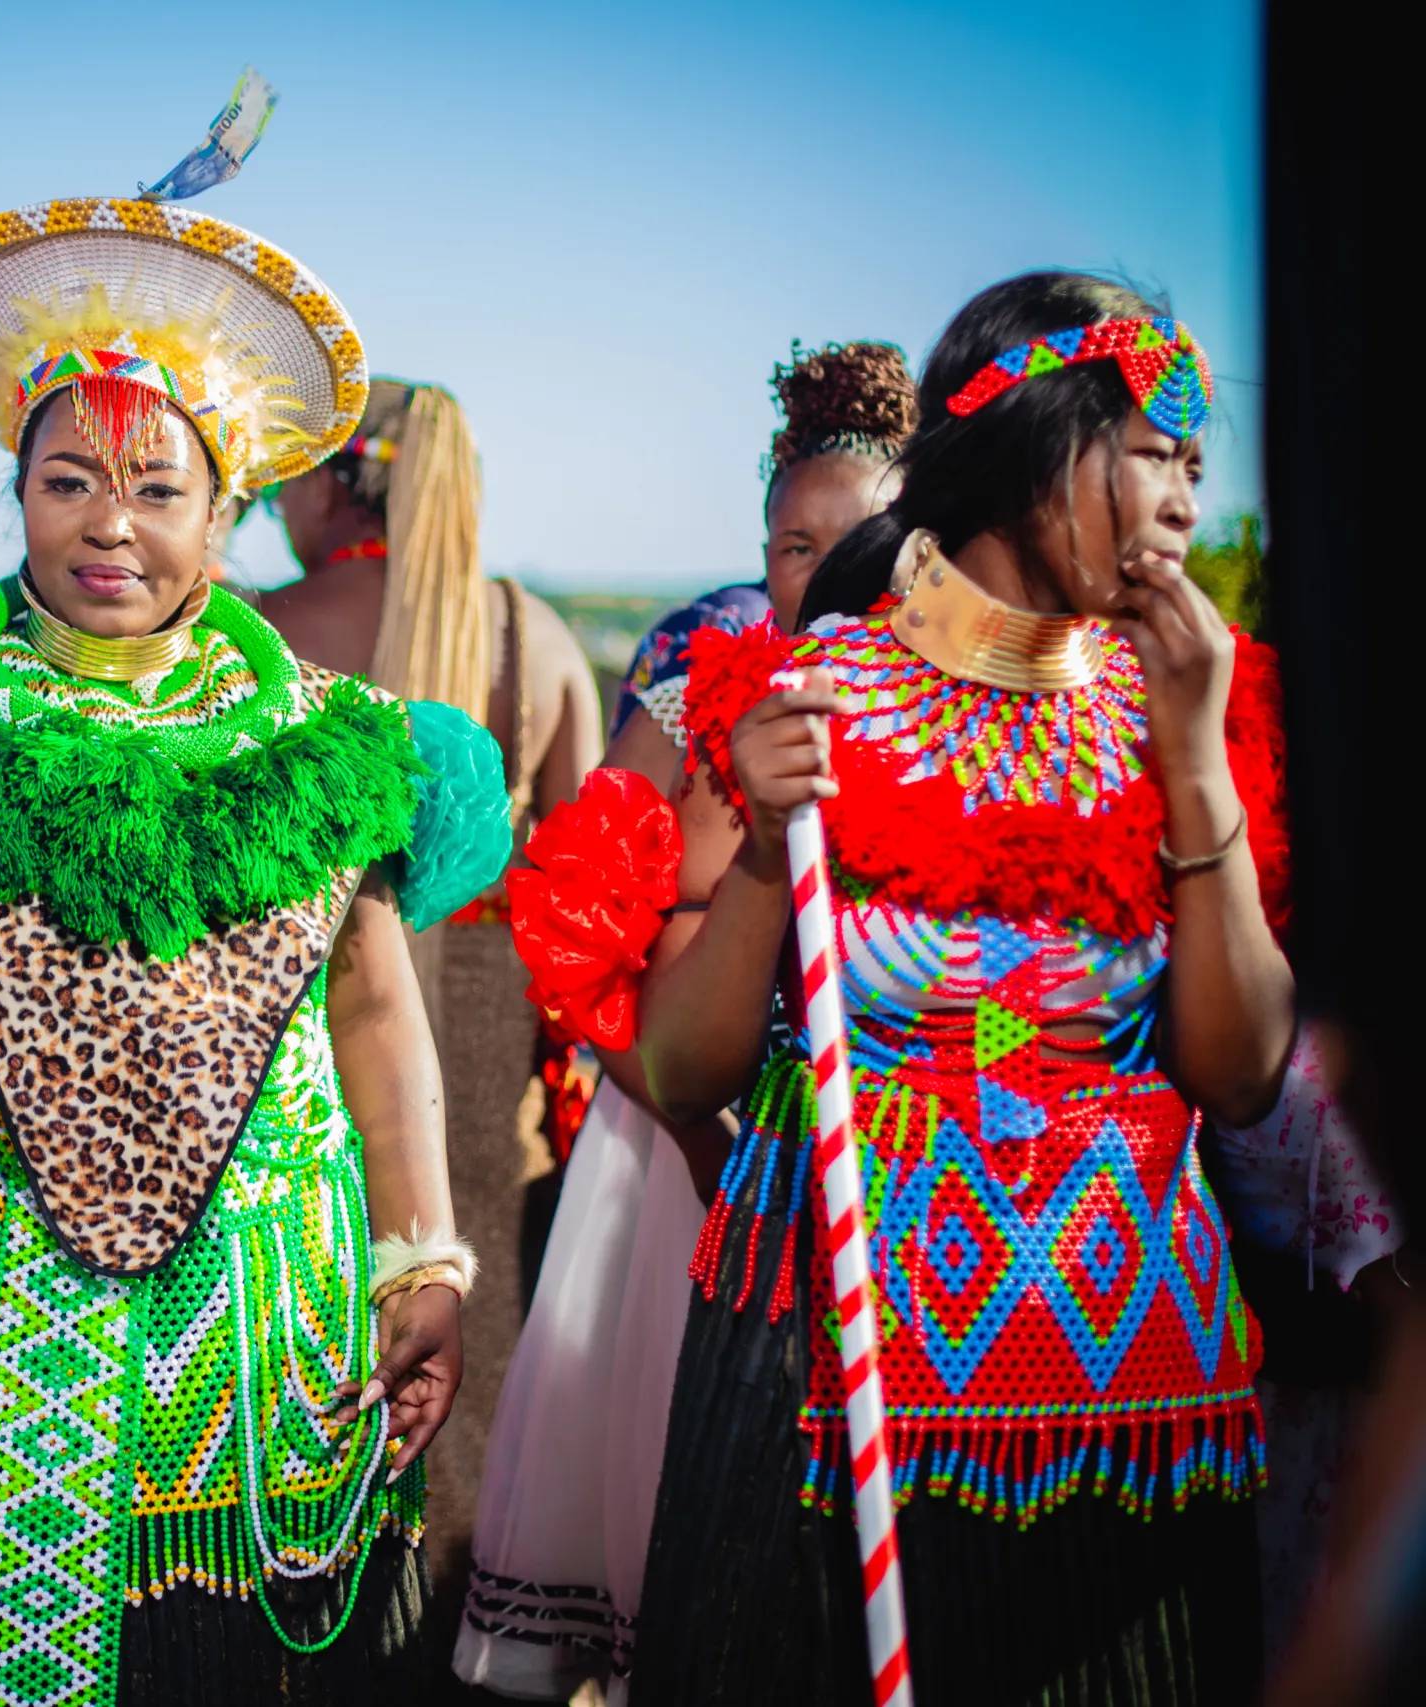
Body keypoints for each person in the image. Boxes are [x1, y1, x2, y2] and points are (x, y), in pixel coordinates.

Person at [0, 188, 509, 1705]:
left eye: (158, 489)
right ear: (18, 489)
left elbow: (375, 1004)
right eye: (70, 479)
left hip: (251, 1337)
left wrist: (427, 1257)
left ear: (225, 512)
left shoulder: (329, 740)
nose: (111, 524)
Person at [592, 274, 1289, 1703]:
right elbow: (677, 1069)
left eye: (1196, 473)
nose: (1184, 509)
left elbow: (1240, 1073)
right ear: (1036, 434)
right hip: (833, 1385)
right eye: (1153, 455)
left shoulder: (1189, 703)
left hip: (1129, 1388)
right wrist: (761, 871)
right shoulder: (807, 692)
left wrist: (1199, 762)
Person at [457, 339, 914, 1701]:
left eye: (866, 540)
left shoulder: (957, 715)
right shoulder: (696, 684)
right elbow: (580, 929)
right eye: (792, 543)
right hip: (690, 1163)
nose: (824, 571)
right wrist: (713, 1144)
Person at [259, 378, 603, 1609]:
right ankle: (480, 1616)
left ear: (341, 480)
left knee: (318, 1300)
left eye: (287, 475)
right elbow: (593, 888)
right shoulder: (542, 638)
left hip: (316, 1008)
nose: (270, 503)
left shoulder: (259, 631)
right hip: (494, 1026)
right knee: (479, 1309)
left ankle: (327, 1596)